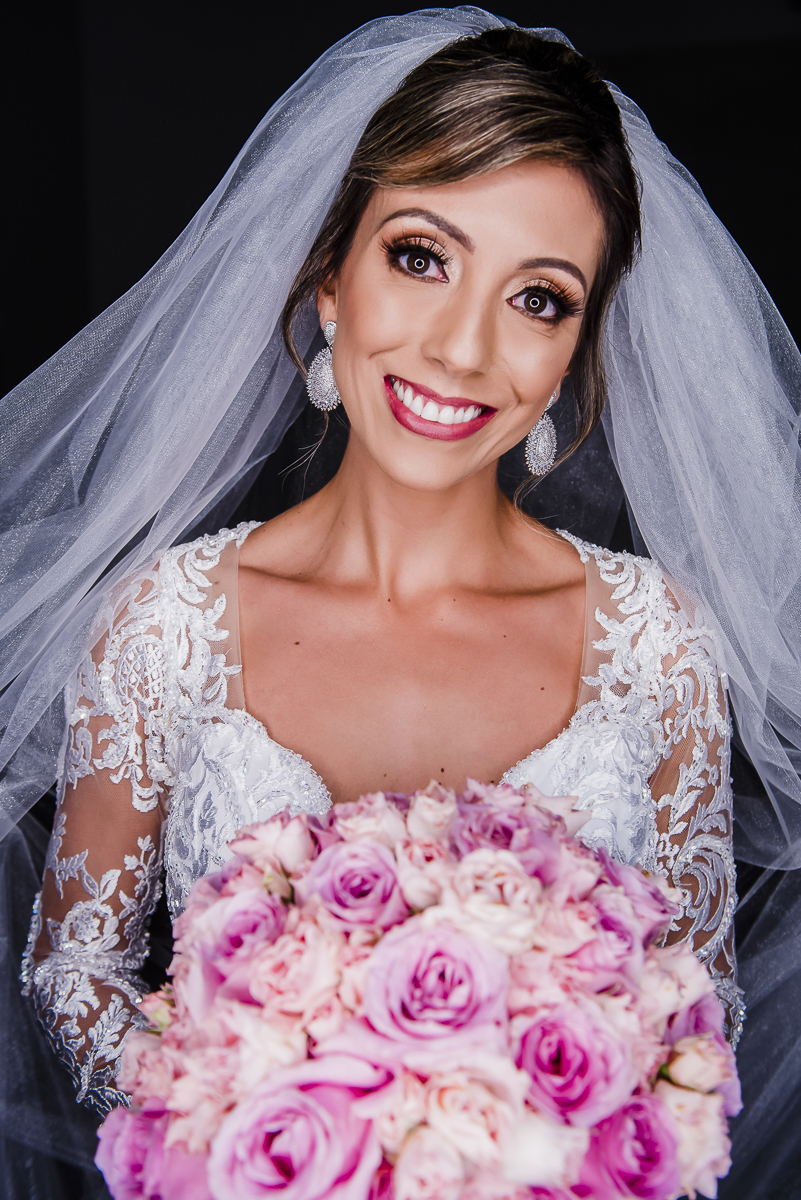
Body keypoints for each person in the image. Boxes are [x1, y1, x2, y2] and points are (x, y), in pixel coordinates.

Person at [1, 9, 799, 1199]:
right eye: (420, 257)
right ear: (331, 279)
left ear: (580, 347)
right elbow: (77, 973)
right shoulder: (168, 624)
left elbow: (697, 1009)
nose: (464, 348)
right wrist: (265, 1124)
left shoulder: (655, 640)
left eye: (540, 299)